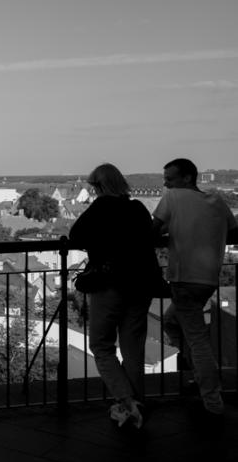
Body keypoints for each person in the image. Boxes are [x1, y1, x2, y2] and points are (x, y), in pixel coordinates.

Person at [69, 163, 159, 429]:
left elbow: (76, 235)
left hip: (110, 284)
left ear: (100, 187)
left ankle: (127, 401)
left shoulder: (101, 207)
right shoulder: (138, 208)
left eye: (94, 187)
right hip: (141, 284)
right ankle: (134, 405)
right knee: (133, 347)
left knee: (101, 345)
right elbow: (149, 238)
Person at [153, 158, 238, 421]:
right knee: (171, 322)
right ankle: (200, 375)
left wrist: (171, 232)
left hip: (184, 278)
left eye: (169, 178)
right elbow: (233, 231)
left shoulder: (173, 198)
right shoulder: (216, 200)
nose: (165, 183)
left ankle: (212, 399)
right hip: (208, 278)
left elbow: (151, 232)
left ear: (186, 178)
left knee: (197, 339)